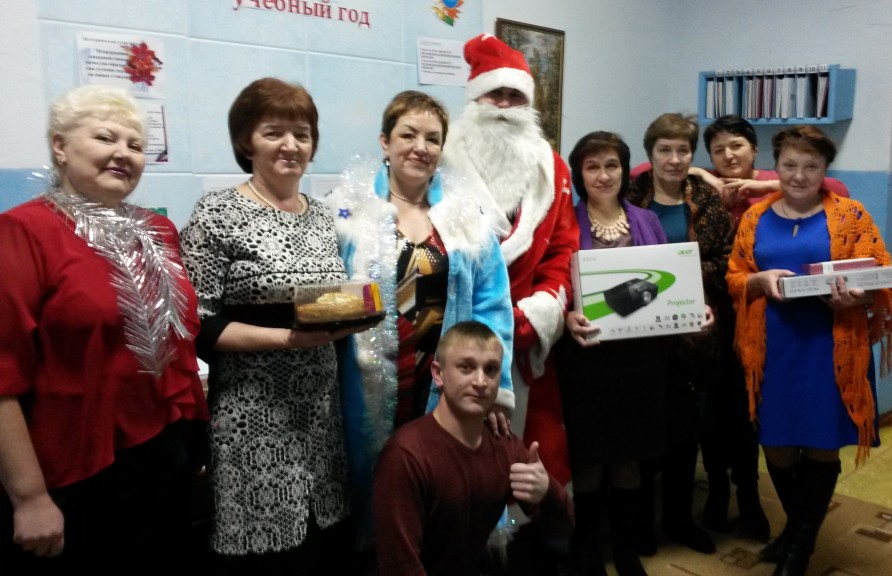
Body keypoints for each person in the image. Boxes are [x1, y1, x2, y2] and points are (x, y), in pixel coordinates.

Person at [0, 84, 209, 572]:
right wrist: (29, 497)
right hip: (72, 471)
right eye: (105, 137)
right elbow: (3, 372)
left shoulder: (157, 231)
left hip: (162, 454)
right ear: (60, 146)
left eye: (135, 145)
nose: (123, 153)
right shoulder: (24, 231)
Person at [179, 77, 364, 572]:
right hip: (251, 417)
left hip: (321, 414)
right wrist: (286, 339)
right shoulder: (217, 213)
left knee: (322, 551)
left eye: (301, 134)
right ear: (247, 141)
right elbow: (197, 324)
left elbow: (332, 299)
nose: (290, 145)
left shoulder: (323, 217)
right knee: (264, 557)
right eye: (273, 132)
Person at [326, 90, 513, 551]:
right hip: (368, 380)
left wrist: (494, 385)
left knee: (442, 484)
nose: (420, 147)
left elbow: (493, 306)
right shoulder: (347, 212)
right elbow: (326, 295)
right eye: (408, 134)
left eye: (432, 138)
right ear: (385, 141)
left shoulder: (467, 218)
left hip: (444, 377)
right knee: (377, 490)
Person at [726, 126, 892, 576]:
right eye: (789, 165)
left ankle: (797, 551)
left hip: (830, 347)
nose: (799, 175)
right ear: (775, 167)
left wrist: (857, 298)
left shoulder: (850, 214)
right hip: (773, 349)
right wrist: (758, 280)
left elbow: (880, 274)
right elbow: (735, 275)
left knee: (822, 444)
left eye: (811, 166)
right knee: (777, 446)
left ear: (826, 169)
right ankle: (796, 533)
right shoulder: (755, 217)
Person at [440, 33, 579, 486]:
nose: (503, 104)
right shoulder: (441, 159)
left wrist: (537, 314)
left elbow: (563, 249)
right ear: (475, 98)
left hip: (525, 338)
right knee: (455, 462)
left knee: (530, 457)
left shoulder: (552, 169)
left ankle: (525, 526)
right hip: (455, 331)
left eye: (514, 95)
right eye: (494, 93)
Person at [627, 113, 768, 554]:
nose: (674, 159)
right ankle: (641, 525)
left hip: (697, 332)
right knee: (643, 430)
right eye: (664, 150)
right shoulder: (631, 195)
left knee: (686, 431)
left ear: (692, 156)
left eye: (682, 150)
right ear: (650, 154)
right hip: (637, 332)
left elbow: (726, 260)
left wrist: (673, 273)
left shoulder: (707, 199)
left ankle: (680, 519)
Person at [557, 131, 675, 576]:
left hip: (641, 359)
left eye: (611, 165)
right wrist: (566, 315)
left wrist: (691, 308)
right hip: (588, 357)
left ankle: (625, 550)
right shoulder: (566, 222)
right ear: (580, 174)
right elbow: (555, 284)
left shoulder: (647, 220)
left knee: (630, 455)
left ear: (624, 170)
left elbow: (667, 281)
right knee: (589, 456)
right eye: (593, 167)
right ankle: (586, 548)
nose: (603, 175)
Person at [373, 321, 573, 575]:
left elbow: (562, 529)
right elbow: (400, 568)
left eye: (491, 369)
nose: (480, 381)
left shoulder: (504, 444)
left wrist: (547, 491)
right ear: (438, 374)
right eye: (466, 367)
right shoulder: (405, 456)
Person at [701, 114, 849, 222]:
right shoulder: (704, 184)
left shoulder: (778, 178)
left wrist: (768, 186)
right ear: (711, 157)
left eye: (736, 146)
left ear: (754, 149)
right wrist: (701, 173)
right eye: (719, 150)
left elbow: (838, 189)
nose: (728, 155)